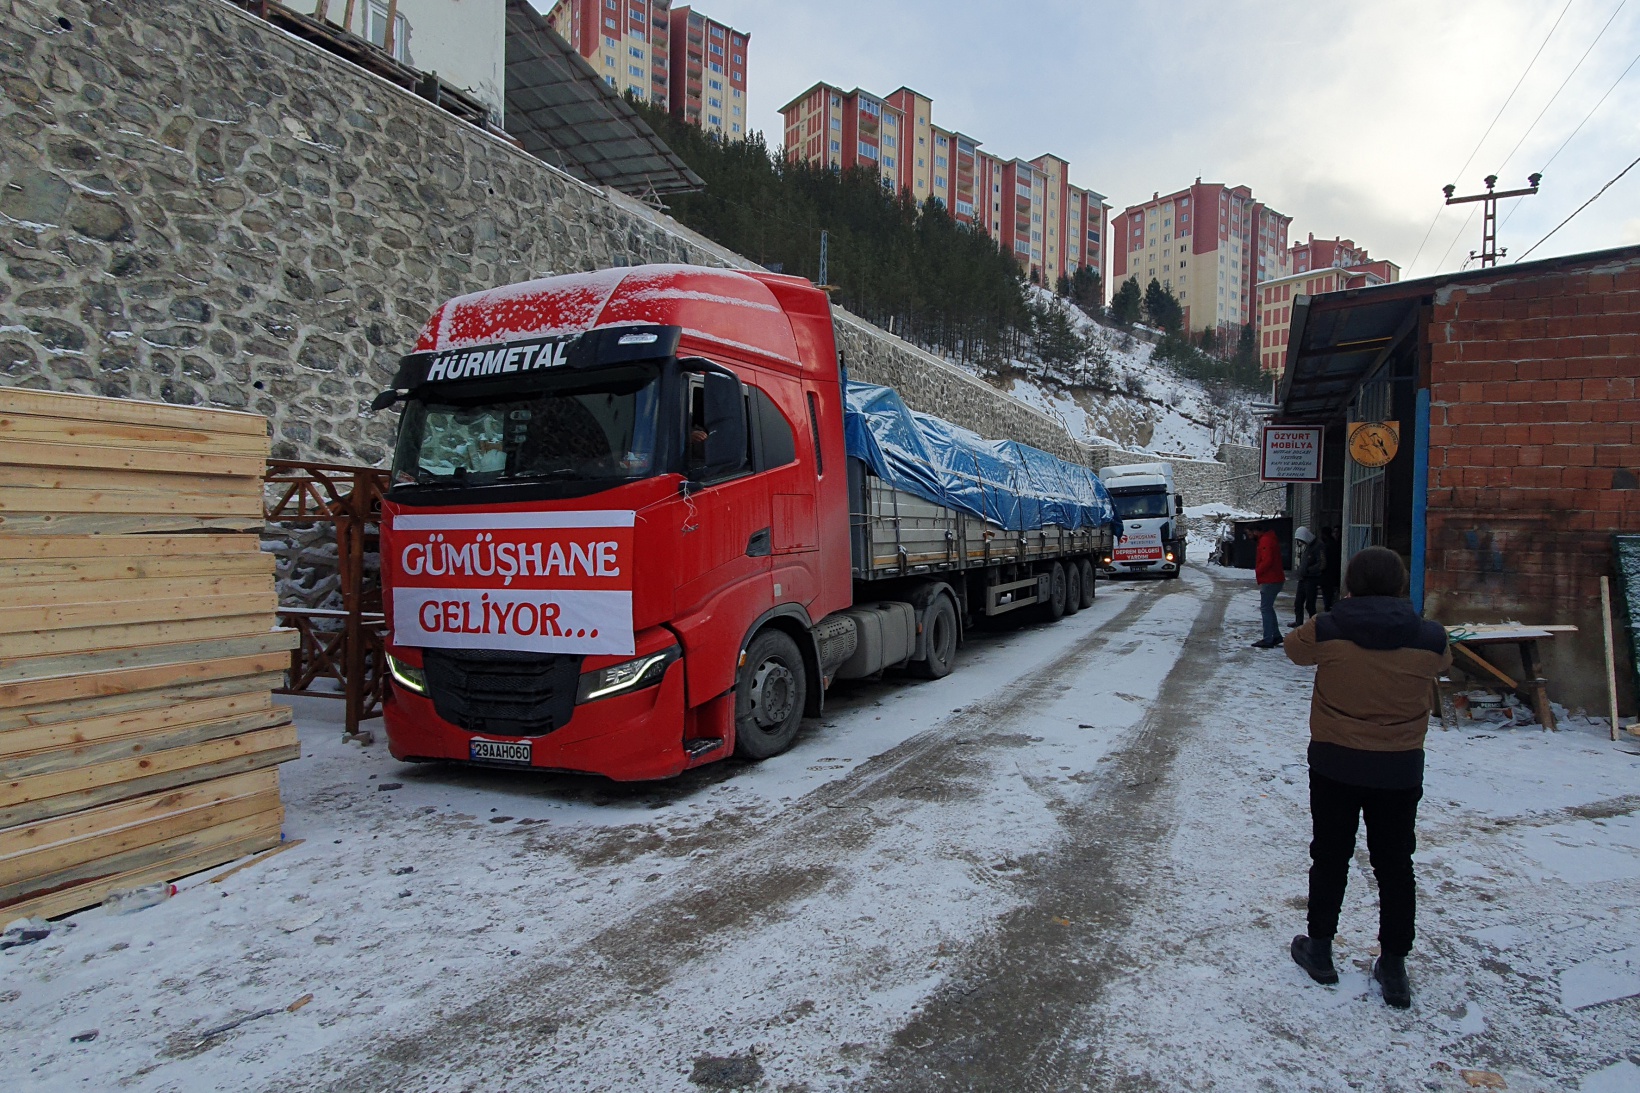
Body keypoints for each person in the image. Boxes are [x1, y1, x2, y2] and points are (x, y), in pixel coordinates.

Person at [1282, 547, 1451, 1009]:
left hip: (1335, 763)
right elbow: (1444, 664)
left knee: (1330, 855)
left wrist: (1334, 609)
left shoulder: (1329, 629)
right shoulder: (1429, 638)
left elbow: (1293, 650)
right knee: (1395, 865)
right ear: (1400, 584)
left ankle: (1320, 949)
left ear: (1350, 581)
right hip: (1398, 768)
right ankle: (1394, 965)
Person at [1251, 527, 1284, 648]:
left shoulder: (1265, 541)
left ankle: (1268, 638)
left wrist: (1258, 571)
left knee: (1265, 609)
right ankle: (1275, 635)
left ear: (1255, 531)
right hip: (1274, 579)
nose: (1249, 536)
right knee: (1268, 608)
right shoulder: (1269, 539)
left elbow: (1267, 560)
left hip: (1270, 579)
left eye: (1249, 533)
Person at [1291, 527, 1323, 627]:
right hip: (1303, 578)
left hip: (1311, 579)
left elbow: (1321, 563)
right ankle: (1298, 621)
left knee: (1310, 604)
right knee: (1298, 602)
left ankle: (1313, 624)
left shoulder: (1318, 546)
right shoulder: (1308, 545)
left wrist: (1310, 570)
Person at [1319, 527, 1341, 611]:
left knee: (1328, 596)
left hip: (1328, 575)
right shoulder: (1334, 544)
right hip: (1333, 574)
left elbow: (1323, 562)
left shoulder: (1326, 546)